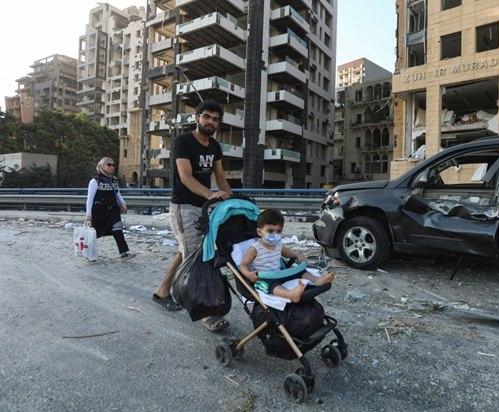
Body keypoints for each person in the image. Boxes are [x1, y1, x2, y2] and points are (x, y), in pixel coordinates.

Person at [152, 99, 233, 331]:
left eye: (215, 119)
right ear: (197, 117)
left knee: (186, 252)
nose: (210, 122)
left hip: (204, 208)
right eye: (206, 117)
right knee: (198, 260)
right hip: (184, 207)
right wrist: (211, 194)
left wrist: (229, 194)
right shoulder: (183, 141)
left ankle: (162, 293)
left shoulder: (215, 146)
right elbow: (186, 177)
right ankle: (207, 313)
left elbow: (219, 176)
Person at [240, 209, 334, 303]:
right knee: (272, 286)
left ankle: (316, 280)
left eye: (278, 231)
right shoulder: (255, 249)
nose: (275, 234)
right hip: (265, 277)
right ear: (260, 232)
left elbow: (286, 252)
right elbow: (243, 265)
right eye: (270, 231)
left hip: (280, 273)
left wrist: (297, 254)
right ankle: (290, 294)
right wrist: (248, 274)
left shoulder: (278, 244)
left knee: (300, 271)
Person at [85, 157, 135, 260]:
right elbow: (89, 199)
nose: (112, 167)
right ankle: (89, 254)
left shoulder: (114, 180)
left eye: (113, 165)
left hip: (113, 211)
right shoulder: (95, 181)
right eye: (108, 165)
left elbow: (117, 192)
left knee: (118, 229)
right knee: (95, 233)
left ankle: (124, 253)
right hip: (99, 212)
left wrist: (123, 203)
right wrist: (88, 214)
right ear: (101, 166)